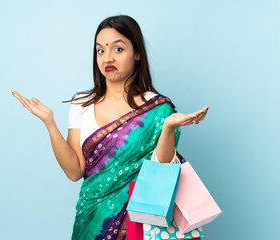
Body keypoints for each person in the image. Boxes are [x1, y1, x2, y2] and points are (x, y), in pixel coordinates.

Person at [12, 14, 209, 240]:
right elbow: (74, 171)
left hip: (138, 224)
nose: (107, 58)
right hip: (92, 219)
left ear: (136, 54)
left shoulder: (158, 108)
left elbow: (162, 173)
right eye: (100, 50)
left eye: (118, 49)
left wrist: (169, 127)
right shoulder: (81, 104)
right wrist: (50, 123)